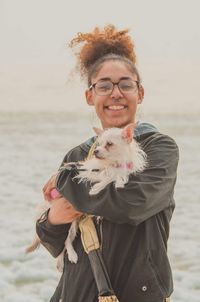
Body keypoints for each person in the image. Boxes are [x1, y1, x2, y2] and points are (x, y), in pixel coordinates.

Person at [36, 25, 179, 302]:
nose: (115, 94)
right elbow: (53, 242)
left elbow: (131, 203)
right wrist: (53, 219)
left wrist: (66, 182)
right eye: (104, 86)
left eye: (126, 84)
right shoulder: (77, 156)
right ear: (90, 96)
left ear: (140, 93)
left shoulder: (160, 148)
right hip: (74, 294)